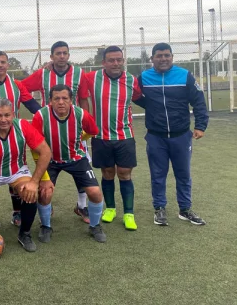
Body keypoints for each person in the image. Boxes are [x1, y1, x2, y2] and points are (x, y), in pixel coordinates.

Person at [135, 43, 208, 226]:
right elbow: (135, 96)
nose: (163, 59)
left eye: (167, 55)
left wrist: (200, 126)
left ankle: (185, 209)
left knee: (183, 174)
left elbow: (198, 101)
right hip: (155, 136)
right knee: (158, 174)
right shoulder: (144, 77)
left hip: (181, 135)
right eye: (159, 56)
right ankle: (159, 209)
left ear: (172, 57)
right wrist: (151, 107)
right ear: (152, 59)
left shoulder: (184, 75)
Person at [22, 41, 91, 224]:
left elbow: (83, 99)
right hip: (48, 130)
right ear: (51, 56)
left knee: (81, 166)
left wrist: (84, 123)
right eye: (58, 53)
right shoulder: (43, 73)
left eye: (65, 53)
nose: (61, 56)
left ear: (68, 55)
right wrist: (37, 109)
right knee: (46, 165)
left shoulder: (78, 73)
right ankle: (47, 204)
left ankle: (82, 205)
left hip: (73, 130)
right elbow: (22, 87)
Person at [0, 98, 52, 252]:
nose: (4, 119)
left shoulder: (22, 126)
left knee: (30, 192)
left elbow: (45, 152)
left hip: (17, 171)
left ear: (13, 115)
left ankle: (24, 233)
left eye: (7, 115)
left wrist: (34, 182)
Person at [31, 84, 107, 243]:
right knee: (45, 194)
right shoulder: (40, 116)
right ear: (50, 101)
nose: (60, 102)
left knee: (95, 192)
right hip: (50, 161)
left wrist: (80, 138)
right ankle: (46, 226)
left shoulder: (81, 114)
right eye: (56, 98)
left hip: (76, 159)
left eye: (65, 98)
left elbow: (93, 131)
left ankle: (95, 226)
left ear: (71, 100)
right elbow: (34, 146)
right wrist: (43, 177)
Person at [0, 50, 41, 228]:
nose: (0, 65)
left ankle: (17, 213)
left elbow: (30, 103)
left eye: (3, 62)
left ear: (8, 65)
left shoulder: (17, 84)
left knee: (15, 173)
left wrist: (46, 114)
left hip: (15, 138)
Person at [85, 46, 142, 231]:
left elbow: (138, 97)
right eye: (111, 60)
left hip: (124, 135)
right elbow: (71, 76)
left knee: (125, 173)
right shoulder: (92, 78)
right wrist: (49, 66)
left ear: (123, 60)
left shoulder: (131, 80)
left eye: (119, 59)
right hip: (100, 136)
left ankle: (129, 213)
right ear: (104, 62)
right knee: (107, 173)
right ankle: (110, 209)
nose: (116, 63)